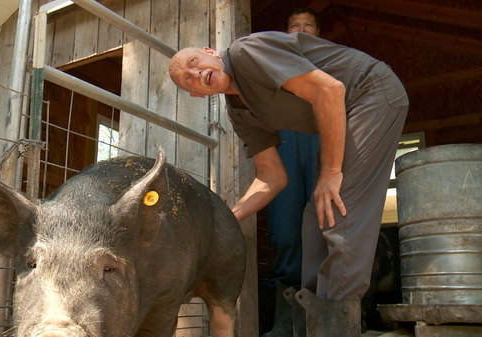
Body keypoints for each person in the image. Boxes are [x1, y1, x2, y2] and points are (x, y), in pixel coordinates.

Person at [168, 24, 408, 337]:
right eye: (189, 78)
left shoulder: (245, 52)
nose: (196, 72)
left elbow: (330, 90)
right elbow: (271, 177)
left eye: (194, 62)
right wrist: (224, 219)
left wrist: (332, 172)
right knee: (314, 220)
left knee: (338, 208)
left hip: (369, 93)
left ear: (211, 53)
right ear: (197, 94)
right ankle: (314, 315)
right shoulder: (239, 111)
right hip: (345, 114)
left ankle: (336, 325)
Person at [262, 7, 320, 337]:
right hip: (284, 143)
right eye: (294, 25)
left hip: (319, 142)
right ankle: (286, 317)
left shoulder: (331, 63)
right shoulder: (272, 63)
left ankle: (326, 309)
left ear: (317, 33)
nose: (300, 30)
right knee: (285, 229)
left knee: (325, 223)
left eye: (307, 25)